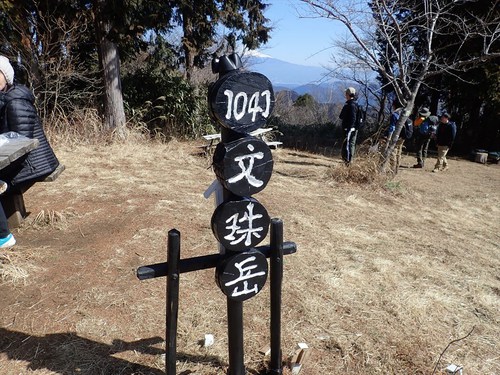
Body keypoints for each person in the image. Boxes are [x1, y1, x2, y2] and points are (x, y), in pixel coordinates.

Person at [0, 55, 60, 247]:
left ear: (6, 77)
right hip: (22, 160)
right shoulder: (5, 99)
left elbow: (20, 145)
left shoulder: (15, 102)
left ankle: (3, 238)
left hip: (33, 164)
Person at [385, 101, 413, 174]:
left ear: (394, 106)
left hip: (396, 136)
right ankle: (396, 168)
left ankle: (392, 169)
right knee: (398, 152)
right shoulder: (405, 112)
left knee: (393, 152)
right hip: (403, 136)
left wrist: (389, 137)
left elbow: (392, 127)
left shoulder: (395, 114)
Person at [339, 87, 359, 164]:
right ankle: (350, 159)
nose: (345, 95)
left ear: (348, 94)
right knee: (352, 144)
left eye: (346, 94)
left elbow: (342, 116)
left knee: (347, 144)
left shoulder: (350, 105)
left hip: (349, 128)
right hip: (355, 128)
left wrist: (349, 128)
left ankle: (347, 160)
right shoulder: (355, 104)